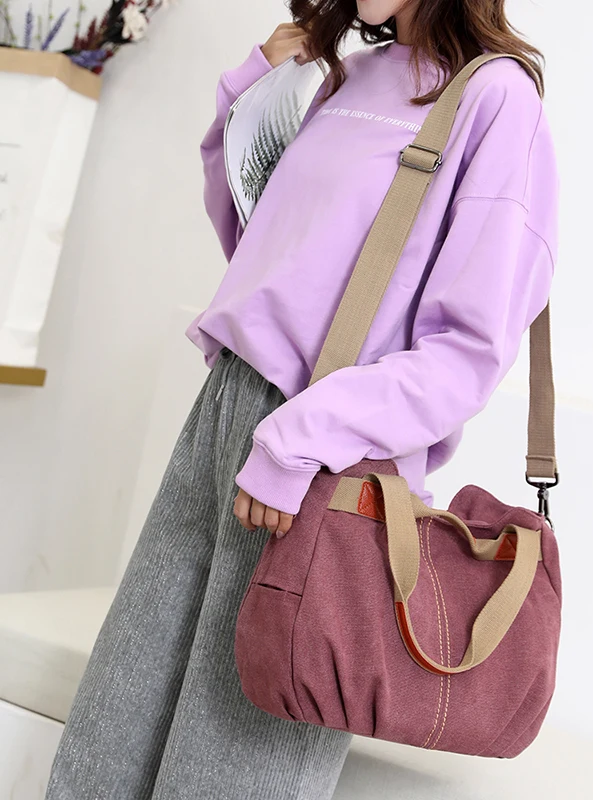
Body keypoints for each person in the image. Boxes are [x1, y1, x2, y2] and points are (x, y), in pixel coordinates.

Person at [44, 0, 558, 797]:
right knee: (108, 742)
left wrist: (301, 437)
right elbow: (259, 250)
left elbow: (467, 353)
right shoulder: (354, 75)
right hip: (225, 415)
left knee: (228, 776)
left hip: (320, 462)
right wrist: (255, 90)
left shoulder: (497, 98)